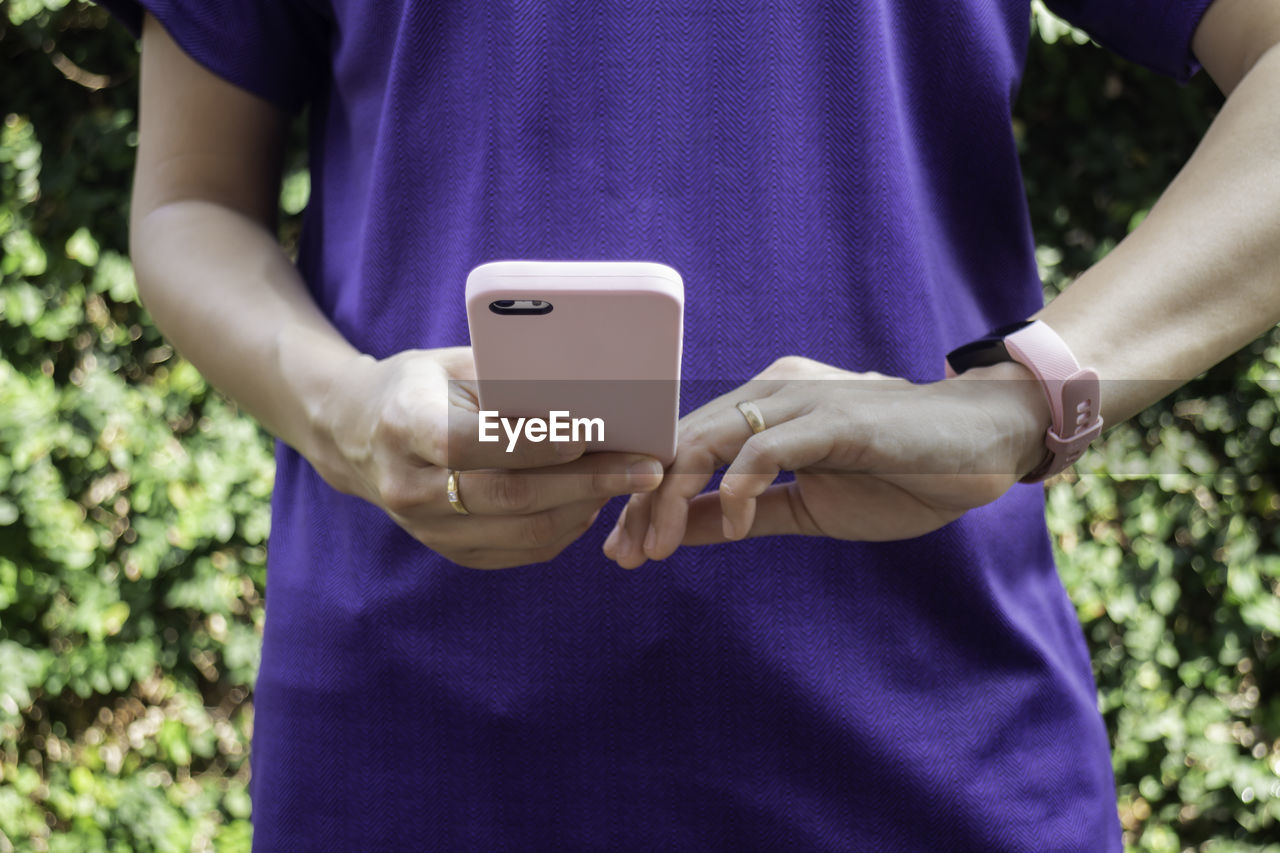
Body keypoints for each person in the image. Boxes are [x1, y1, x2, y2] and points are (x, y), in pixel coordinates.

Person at [97, 0, 1280, 849]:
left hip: (926, 751)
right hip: (409, 762)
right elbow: (193, 198)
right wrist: (342, 411)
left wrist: (1023, 399)